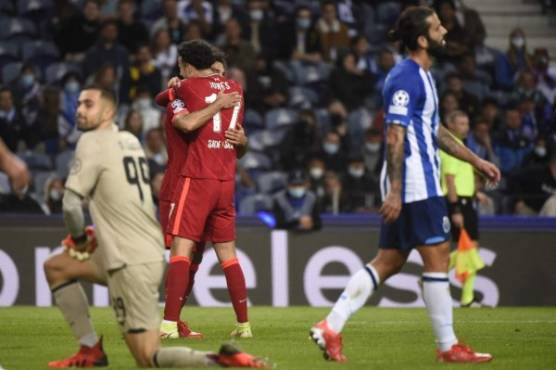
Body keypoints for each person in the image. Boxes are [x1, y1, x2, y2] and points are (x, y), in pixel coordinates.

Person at [310, 6, 499, 364]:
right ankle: (448, 345)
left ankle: (331, 326)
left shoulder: (424, 75)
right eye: (437, 26)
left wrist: (475, 160)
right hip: (415, 180)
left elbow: (433, 129)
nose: (445, 29)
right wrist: (396, 190)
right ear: (423, 39)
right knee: (438, 255)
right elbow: (395, 135)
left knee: (390, 261)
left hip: (414, 178)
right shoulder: (405, 77)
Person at [42, 85, 267, 368]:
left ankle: (96, 347)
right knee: (57, 267)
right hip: (145, 249)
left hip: (127, 257)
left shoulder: (91, 143)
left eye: (88, 104)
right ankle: (222, 358)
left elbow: (71, 204)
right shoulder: (130, 141)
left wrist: (80, 239)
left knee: (147, 356)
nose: (79, 110)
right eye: (79, 104)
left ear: (109, 111)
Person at [153, 50, 248, 339]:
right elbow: (181, 120)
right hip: (179, 184)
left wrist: (243, 141)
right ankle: (163, 319)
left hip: (197, 181)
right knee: (179, 255)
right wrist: (177, 87)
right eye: (214, 72)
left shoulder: (189, 91)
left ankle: (172, 321)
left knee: (190, 258)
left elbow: (236, 146)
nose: (217, 79)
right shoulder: (182, 97)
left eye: (221, 73)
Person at [440, 111, 484, 306]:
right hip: (458, 202)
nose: (466, 127)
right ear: (450, 126)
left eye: (467, 123)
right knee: (470, 248)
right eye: (461, 123)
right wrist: (455, 208)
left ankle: (467, 297)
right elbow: (449, 179)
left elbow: (461, 178)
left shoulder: (462, 147)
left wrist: (476, 193)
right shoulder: (451, 148)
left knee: (469, 248)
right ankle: (435, 275)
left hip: (466, 199)